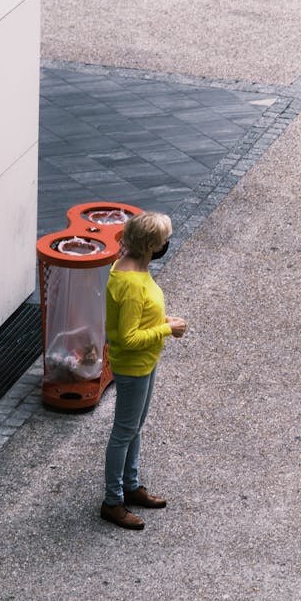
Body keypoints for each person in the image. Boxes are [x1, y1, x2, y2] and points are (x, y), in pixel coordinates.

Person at [101, 211, 187, 530]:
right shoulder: (132, 283)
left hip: (145, 362)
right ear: (151, 245)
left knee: (135, 426)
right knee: (124, 431)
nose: (167, 243)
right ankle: (113, 501)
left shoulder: (131, 266)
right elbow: (126, 337)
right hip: (134, 365)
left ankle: (130, 485)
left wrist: (162, 322)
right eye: (164, 240)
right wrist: (166, 330)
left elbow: (135, 323)